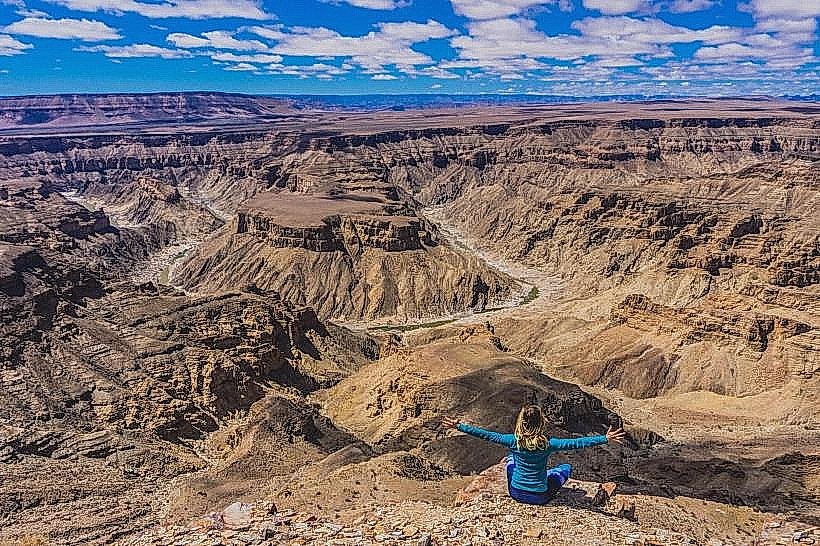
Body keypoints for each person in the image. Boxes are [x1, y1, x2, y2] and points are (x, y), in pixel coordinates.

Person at [442, 405, 625, 505]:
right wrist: (605, 438)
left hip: (516, 493)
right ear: (540, 423)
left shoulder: (513, 441)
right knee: (565, 468)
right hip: (540, 496)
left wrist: (459, 426)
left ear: (521, 422)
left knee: (511, 462)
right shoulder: (548, 444)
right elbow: (577, 442)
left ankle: (522, 469)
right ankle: (546, 477)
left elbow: (485, 434)